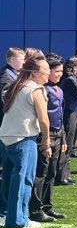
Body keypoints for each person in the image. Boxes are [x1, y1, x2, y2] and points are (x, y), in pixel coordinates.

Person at [0, 55, 51, 228]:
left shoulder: (17, 85)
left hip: (6, 138)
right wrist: (46, 142)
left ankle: (7, 215)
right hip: (23, 139)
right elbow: (44, 119)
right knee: (24, 180)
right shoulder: (35, 89)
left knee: (9, 179)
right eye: (46, 70)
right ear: (35, 72)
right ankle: (18, 220)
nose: (49, 73)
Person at [29, 54, 68, 222]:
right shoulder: (42, 89)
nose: (60, 74)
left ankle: (47, 206)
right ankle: (36, 210)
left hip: (58, 134)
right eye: (56, 71)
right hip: (46, 134)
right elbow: (42, 116)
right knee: (41, 172)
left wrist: (64, 138)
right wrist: (45, 139)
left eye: (61, 71)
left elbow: (61, 114)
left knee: (52, 171)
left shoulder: (59, 89)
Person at [0, 46, 26, 216]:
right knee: (6, 168)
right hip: (7, 128)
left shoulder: (13, 75)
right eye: (21, 59)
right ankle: (3, 208)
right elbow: (6, 101)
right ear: (12, 60)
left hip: (10, 128)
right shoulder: (6, 76)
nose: (24, 62)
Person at [57, 56, 77, 186]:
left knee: (69, 142)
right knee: (67, 144)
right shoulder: (71, 80)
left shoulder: (70, 79)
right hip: (69, 113)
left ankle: (65, 175)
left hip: (73, 111)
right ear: (74, 68)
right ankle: (62, 176)